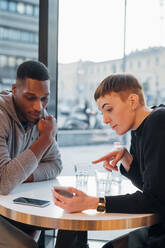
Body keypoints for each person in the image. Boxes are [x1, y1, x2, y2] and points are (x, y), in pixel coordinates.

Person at [52, 73, 165, 248]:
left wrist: (93, 202)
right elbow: (152, 188)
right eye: (102, 112)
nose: (105, 120)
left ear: (132, 101)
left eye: (109, 109)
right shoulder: (139, 128)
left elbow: (153, 200)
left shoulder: (158, 121)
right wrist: (127, 159)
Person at [0, 60, 62, 247]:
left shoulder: (40, 118)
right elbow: (4, 183)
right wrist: (45, 139)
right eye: (30, 97)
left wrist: (18, 176)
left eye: (44, 98)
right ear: (14, 90)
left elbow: (56, 165)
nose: (38, 107)